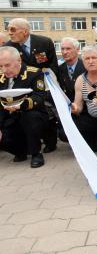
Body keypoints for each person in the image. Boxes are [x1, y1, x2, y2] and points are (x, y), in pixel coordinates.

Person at [5, 18, 59, 153]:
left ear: (25, 31)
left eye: (12, 29)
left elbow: (52, 64)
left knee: (47, 109)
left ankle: (50, 141)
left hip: (43, 82)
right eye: (8, 29)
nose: (9, 33)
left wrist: (51, 85)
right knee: (28, 114)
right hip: (21, 84)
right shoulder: (9, 47)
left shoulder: (44, 42)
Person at [0, 46, 48, 168]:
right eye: (1, 66)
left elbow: (40, 96)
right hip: (10, 117)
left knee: (29, 117)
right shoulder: (1, 77)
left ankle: (36, 153)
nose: (4, 70)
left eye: (7, 65)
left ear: (19, 61)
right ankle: (20, 152)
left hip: (33, 115)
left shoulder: (34, 73)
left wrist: (21, 105)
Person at [58, 37, 86, 102]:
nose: (64, 52)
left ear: (78, 50)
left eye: (68, 49)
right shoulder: (59, 69)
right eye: (62, 49)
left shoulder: (86, 67)